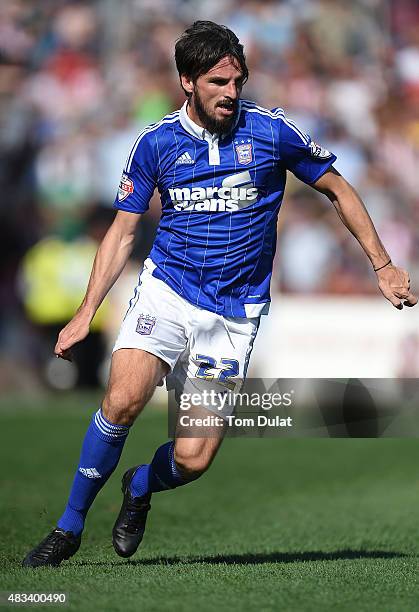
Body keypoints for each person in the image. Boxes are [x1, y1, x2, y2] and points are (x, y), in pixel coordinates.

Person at [23, 21, 417, 568]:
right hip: (167, 292)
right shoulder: (156, 143)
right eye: (217, 82)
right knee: (122, 401)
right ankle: (68, 528)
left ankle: (139, 485)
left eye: (238, 81)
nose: (231, 93)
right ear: (187, 81)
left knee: (193, 458)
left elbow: (338, 189)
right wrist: (86, 311)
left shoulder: (272, 132)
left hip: (233, 314)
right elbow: (122, 230)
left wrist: (383, 265)